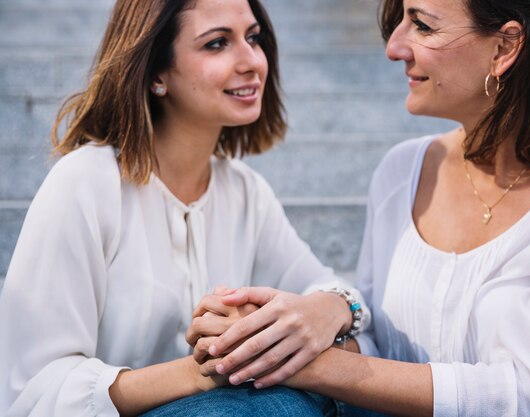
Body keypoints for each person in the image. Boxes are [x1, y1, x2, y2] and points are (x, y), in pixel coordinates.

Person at [192, 0, 530, 416]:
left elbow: (527, 393)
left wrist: (305, 364)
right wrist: (276, 332)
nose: (393, 47)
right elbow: (382, 345)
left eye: (421, 24)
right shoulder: (404, 169)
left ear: (505, 47)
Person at [0, 0, 370, 415]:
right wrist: (211, 366)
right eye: (217, 44)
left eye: (253, 38)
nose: (251, 61)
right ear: (157, 74)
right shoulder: (85, 183)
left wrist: (328, 309)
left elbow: (330, 291)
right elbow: (35, 390)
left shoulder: (245, 191)